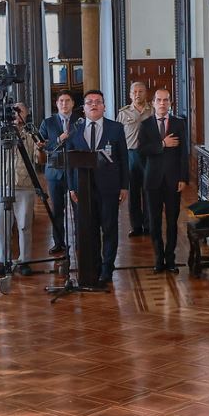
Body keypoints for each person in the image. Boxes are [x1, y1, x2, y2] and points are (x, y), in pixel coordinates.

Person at [67, 89, 128, 290]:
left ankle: (106, 269)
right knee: (88, 229)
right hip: (83, 190)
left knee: (109, 228)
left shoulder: (116, 128)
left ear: (104, 106)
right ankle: (91, 267)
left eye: (98, 102)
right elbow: (69, 162)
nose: (94, 105)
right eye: (89, 102)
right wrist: (70, 187)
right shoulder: (74, 129)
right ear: (83, 108)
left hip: (109, 187)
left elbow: (123, 159)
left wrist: (124, 186)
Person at [0, 103, 43, 274]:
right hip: (2, 185)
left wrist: (42, 149)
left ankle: (25, 261)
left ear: (26, 113)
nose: (15, 114)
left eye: (20, 110)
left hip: (24, 185)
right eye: (13, 111)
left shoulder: (30, 133)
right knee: (2, 226)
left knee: (24, 226)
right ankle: (2, 260)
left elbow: (40, 159)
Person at [135, 86, 189, 273]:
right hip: (152, 180)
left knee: (173, 221)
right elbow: (142, 151)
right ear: (153, 103)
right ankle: (159, 259)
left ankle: (171, 259)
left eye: (166, 100)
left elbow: (184, 153)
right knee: (154, 221)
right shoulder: (146, 124)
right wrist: (162, 144)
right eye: (159, 100)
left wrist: (183, 178)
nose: (162, 103)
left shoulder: (179, 123)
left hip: (174, 180)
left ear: (170, 103)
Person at [117, 81, 154, 243]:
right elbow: (118, 138)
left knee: (149, 191)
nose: (138, 94)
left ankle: (149, 224)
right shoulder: (124, 113)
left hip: (149, 156)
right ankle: (136, 226)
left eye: (141, 91)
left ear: (146, 93)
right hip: (130, 156)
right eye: (135, 92)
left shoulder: (153, 111)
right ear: (130, 95)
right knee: (133, 193)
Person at [41, 92, 77, 254]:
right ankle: (59, 242)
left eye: (67, 101)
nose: (64, 104)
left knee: (78, 208)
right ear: (56, 104)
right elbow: (42, 146)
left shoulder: (80, 121)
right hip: (55, 172)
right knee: (57, 209)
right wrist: (58, 140)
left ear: (73, 103)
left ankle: (80, 239)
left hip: (76, 170)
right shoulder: (48, 122)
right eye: (61, 101)